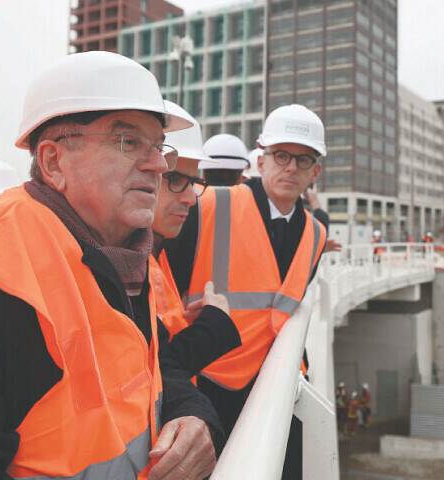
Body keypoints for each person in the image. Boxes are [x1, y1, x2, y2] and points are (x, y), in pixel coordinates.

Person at [0, 51, 221, 479]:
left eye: (158, 146)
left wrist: (197, 419)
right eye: (129, 142)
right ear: (53, 162)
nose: (157, 164)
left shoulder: (130, 258)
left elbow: (149, 379)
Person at [163, 103, 328, 479]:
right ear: (261, 158)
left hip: (278, 381)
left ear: (315, 171)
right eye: (281, 155)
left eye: (303, 161)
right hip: (207, 380)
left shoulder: (317, 234)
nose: (291, 168)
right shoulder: (207, 206)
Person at [149, 101, 242, 383]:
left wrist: (188, 324)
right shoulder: (123, 260)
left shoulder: (154, 253)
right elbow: (151, 376)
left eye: (193, 182)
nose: (190, 198)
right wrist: (213, 325)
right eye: (175, 179)